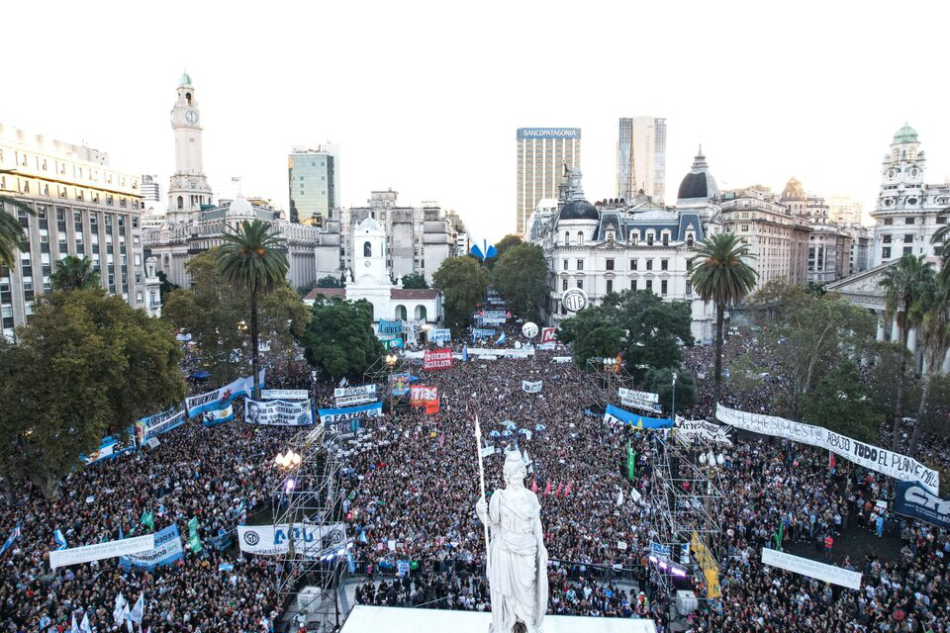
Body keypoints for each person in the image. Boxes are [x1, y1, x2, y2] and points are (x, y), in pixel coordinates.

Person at [476, 450, 548, 633]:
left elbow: (536, 524)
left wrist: (542, 547)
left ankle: (528, 623)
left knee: (527, 590)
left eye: (518, 472)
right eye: (512, 472)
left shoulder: (530, 497)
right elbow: (492, 522)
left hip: (526, 548)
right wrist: (480, 511)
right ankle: (508, 622)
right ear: (507, 475)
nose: (516, 476)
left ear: (523, 473)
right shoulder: (500, 497)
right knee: (506, 592)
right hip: (504, 547)